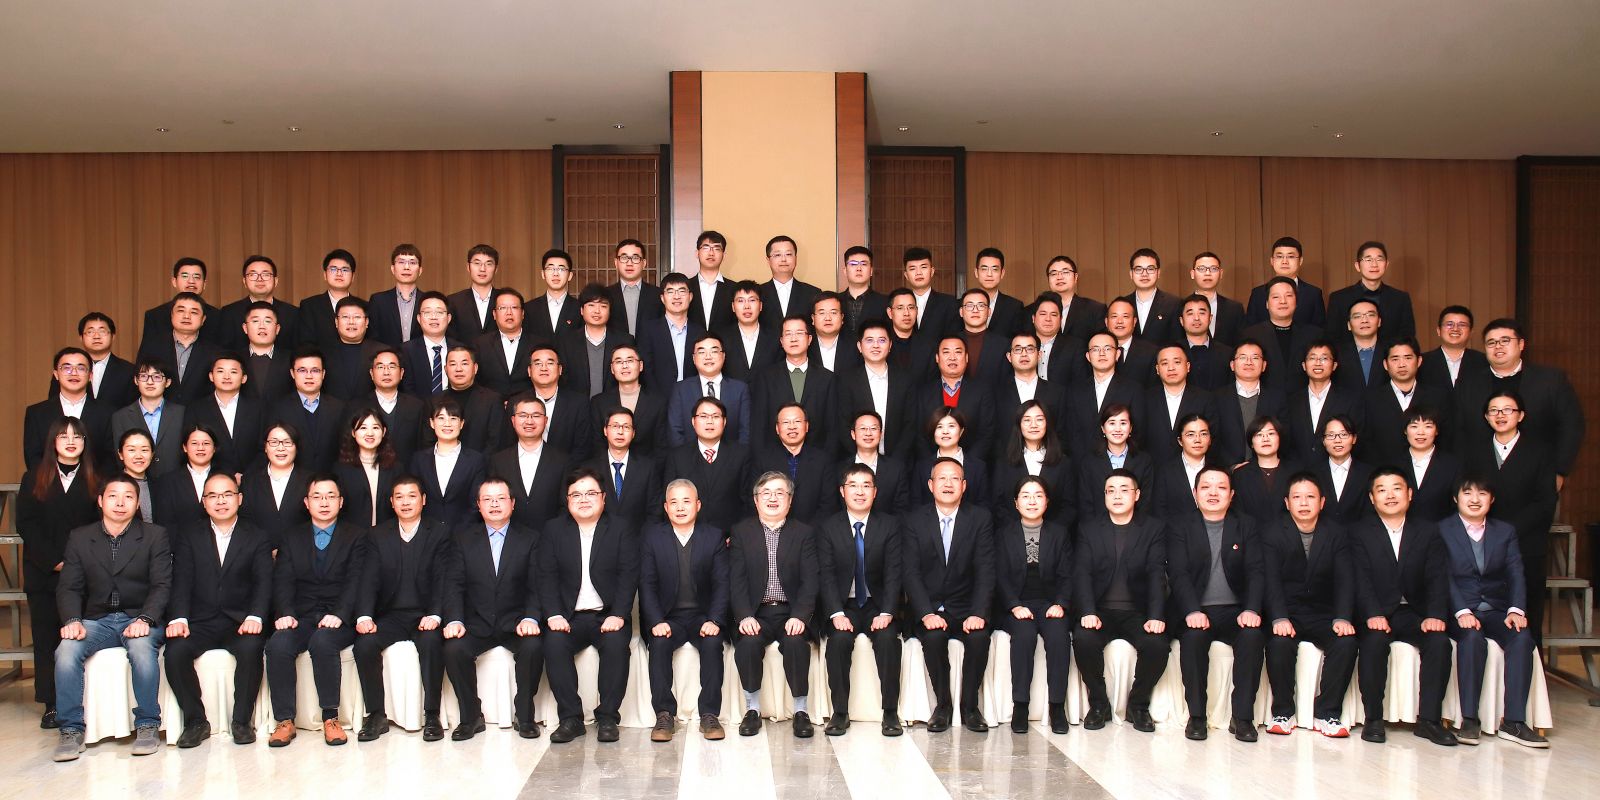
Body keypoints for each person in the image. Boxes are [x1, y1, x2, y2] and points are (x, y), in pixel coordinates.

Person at [50, 475, 171, 761]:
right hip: (98, 620)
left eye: (128, 496)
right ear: (101, 501)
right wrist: (72, 620)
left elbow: (162, 585)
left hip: (139, 618)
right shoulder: (81, 537)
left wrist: (145, 619)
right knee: (66, 650)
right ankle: (70, 729)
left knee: (141, 649)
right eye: (113, 496)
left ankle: (147, 725)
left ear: (137, 503)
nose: (120, 503)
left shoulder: (154, 535)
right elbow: (69, 587)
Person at [163, 473, 272, 747]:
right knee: (175, 651)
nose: (220, 501)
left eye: (227, 494)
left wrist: (255, 615)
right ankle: (196, 721)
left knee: (251, 648)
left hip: (240, 621)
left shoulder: (257, 536)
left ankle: (242, 721)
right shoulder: (189, 535)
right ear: (204, 502)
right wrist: (179, 618)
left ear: (239, 498)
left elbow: (264, 582)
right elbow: (182, 580)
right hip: (200, 621)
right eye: (213, 495)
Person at [1349, 469, 1457, 746]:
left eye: (1396, 488)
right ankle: (1374, 718)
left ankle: (1429, 721)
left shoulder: (1428, 531)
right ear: (1372, 498)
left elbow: (1437, 577)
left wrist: (1434, 615)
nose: (1390, 495)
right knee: (1374, 643)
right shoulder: (1359, 532)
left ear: (1409, 494)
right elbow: (1360, 579)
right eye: (1382, 490)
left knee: (1439, 643)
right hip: (1376, 612)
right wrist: (1372, 613)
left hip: (1415, 612)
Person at [1437, 478, 1547, 748]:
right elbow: (1442, 576)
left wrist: (1516, 609)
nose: (1475, 499)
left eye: (1482, 493)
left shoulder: (1504, 531)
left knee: (1522, 637)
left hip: (1497, 609)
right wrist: (1461, 610)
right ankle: (1469, 719)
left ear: (1491, 499)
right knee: (1472, 639)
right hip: (1459, 610)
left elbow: (1516, 572)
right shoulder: (1442, 530)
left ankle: (1514, 722)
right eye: (1467, 493)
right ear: (1456, 499)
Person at [265, 475, 366, 747]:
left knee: (323, 642)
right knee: (278, 644)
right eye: (317, 497)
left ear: (341, 502)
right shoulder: (292, 537)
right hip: (302, 615)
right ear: (306, 502)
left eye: (330, 496)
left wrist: (341, 613)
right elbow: (283, 579)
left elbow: (356, 580)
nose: (324, 502)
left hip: (340, 617)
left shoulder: (356, 536)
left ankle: (330, 718)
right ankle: (284, 720)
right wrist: (285, 612)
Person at [441, 478, 545, 740]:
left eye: (500, 498)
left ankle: (525, 715)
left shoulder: (530, 538)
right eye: (487, 499)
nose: (494, 504)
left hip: (516, 623)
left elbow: (536, 585)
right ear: (478, 505)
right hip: (477, 623)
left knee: (533, 646)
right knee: (454, 649)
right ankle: (470, 717)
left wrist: (531, 617)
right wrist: (455, 620)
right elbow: (454, 584)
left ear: (512, 503)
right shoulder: (463, 539)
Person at [1168, 466, 1266, 742]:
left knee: (1252, 637)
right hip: (1198, 610)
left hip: (1236, 611)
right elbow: (1178, 573)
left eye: (1221, 487)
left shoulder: (1245, 524)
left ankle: (1242, 717)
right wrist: (1192, 610)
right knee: (1193, 639)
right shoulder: (1180, 525)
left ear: (1232, 494)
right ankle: (1197, 716)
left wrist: (1251, 609)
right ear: (1195, 493)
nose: (1213, 493)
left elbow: (1256, 571)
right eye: (1206, 487)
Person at [540, 468, 638, 744]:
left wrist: (619, 614)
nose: (583, 499)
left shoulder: (620, 528)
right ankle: (571, 718)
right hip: (568, 617)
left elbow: (628, 574)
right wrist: (554, 614)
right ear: (568, 500)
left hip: (607, 614)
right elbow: (546, 576)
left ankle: (608, 717)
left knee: (616, 645)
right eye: (576, 495)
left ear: (604, 498)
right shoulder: (554, 530)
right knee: (554, 643)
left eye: (591, 493)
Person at [352, 475, 452, 742]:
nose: (406, 502)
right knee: (364, 644)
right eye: (399, 497)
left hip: (425, 614)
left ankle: (432, 714)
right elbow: (368, 579)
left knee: (431, 642)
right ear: (391, 502)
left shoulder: (439, 532)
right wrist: (364, 615)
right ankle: (376, 714)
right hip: (392, 615)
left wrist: (435, 614)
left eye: (411, 496)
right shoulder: (377, 535)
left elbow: (443, 578)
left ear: (423, 500)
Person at [16, 417, 101, 729]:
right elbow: (26, 523)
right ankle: (51, 703)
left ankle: (82, 701)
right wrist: (53, 561)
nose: (70, 441)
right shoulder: (33, 477)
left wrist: (76, 563)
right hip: (43, 571)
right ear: (52, 441)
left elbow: (100, 526)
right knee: (46, 638)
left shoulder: (96, 479)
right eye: (64, 436)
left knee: (80, 637)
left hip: (84, 573)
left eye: (77, 436)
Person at [1260, 474, 1357, 738]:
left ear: (1322, 502)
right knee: (1278, 643)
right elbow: (1270, 580)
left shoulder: (1336, 533)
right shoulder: (1272, 532)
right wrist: (1279, 617)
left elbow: (1345, 580)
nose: (1304, 503)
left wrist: (1342, 617)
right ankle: (1283, 712)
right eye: (1297, 497)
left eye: (1310, 497)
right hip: (1287, 612)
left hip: (1323, 613)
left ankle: (1328, 713)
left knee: (1346, 642)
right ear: (1287, 502)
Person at [1072, 469, 1169, 733]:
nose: (1117, 496)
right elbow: (1082, 573)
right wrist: (1088, 611)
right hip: (1100, 611)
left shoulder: (1152, 528)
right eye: (1111, 491)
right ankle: (1099, 704)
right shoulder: (1089, 528)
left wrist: (1155, 616)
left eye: (1124, 490)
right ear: (1104, 496)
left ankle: (1138, 705)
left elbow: (1156, 574)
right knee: (1083, 639)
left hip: (1137, 612)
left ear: (1137, 495)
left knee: (1157, 645)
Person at [903, 458, 995, 732]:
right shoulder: (914, 520)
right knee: (933, 638)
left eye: (954, 478)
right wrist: (925, 613)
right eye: (941, 478)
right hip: (930, 608)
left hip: (966, 607)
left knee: (979, 638)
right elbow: (910, 573)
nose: (948, 484)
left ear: (964, 486)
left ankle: (970, 707)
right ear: (930, 485)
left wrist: (978, 613)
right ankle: (943, 706)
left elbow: (986, 570)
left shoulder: (980, 519)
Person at [814, 464, 905, 736]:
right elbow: (826, 575)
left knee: (888, 640)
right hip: (844, 605)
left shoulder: (889, 525)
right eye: (853, 485)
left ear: (875, 492)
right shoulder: (828, 527)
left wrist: (887, 611)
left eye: (866, 485)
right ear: (842, 491)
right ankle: (840, 712)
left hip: (878, 604)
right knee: (839, 641)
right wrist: (836, 613)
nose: (860, 491)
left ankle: (890, 712)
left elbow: (894, 573)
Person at [1463, 390, 1559, 642]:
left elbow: (1545, 502)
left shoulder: (1540, 452)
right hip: (1481, 542)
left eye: (1508, 410)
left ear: (1521, 415)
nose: (1500, 415)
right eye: (1494, 410)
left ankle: (1529, 664)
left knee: (1528, 612)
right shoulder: (1473, 452)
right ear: (1486, 417)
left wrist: (1507, 530)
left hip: (1526, 542)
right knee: (1484, 612)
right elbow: (1466, 495)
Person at [729, 471, 820, 738]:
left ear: (789, 501)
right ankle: (752, 709)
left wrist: (800, 616)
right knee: (748, 644)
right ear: (756, 500)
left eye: (780, 493)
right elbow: (736, 580)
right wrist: (744, 615)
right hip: (756, 613)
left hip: (790, 612)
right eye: (766, 493)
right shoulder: (741, 532)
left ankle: (801, 711)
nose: (773, 498)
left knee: (795, 643)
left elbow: (810, 581)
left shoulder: (804, 533)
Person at [639, 479, 730, 742]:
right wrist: (656, 620)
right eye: (674, 502)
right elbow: (647, 584)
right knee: (658, 644)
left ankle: (709, 714)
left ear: (698, 505)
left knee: (713, 643)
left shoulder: (713, 536)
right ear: (666, 507)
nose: (680, 508)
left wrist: (714, 620)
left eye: (686, 501)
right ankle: (664, 714)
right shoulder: (652, 537)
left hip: (703, 616)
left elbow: (722, 583)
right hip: (668, 618)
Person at [1454, 318, 1585, 489]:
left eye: (1505, 340)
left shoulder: (1551, 380)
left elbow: (1572, 426)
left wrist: (1559, 471)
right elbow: (1457, 430)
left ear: (1521, 344)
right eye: (1491, 342)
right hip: (1480, 480)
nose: (1498, 346)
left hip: (1538, 476)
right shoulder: (1468, 383)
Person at [994, 476, 1072, 736]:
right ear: (1016, 503)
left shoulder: (1059, 533)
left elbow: (1068, 575)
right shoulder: (1003, 534)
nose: (1032, 501)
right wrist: (1014, 605)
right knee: (1024, 635)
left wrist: (1060, 603)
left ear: (1047, 502)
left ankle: (1057, 707)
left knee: (1059, 635)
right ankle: (1021, 705)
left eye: (1038, 495)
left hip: (1050, 604)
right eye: (1025, 496)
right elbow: (999, 575)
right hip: (1017, 604)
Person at [664, 397, 753, 533]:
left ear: (724, 421)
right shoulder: (677, 456)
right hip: (688, 535)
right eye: (703, 416)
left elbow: (747, 500)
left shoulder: (741, 454)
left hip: (730, 537)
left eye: (716, 416)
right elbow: (668, 499)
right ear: (693, 421)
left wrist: (738, 534)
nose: (710, 421)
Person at [1362, 337, 1454, 468]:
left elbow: (1447, 439)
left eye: (1408, 358)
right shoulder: (1369, 399)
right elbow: (1365, 443)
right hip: (1384, 473)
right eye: (1395, 359)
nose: (1402, 364)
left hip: (1430, 471)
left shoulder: (1438, 397)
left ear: (1419, 361)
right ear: (1385, 364)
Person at [752, 316, 836, 453]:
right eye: (788, 334)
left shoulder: (827, 378)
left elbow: (832, 427)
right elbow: (759, 425)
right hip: (774, 456)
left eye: (799, 333)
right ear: (781, 341)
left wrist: (827, 459)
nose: (793, 338)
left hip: (817, 456)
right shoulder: (765, 378)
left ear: (809, 339)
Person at [836, 318, 917, 458]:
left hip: (898, 461)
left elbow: (910, 425)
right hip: (858, 462)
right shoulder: (846, 381)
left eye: (882, 340)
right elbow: (843, 425)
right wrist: (861, 458)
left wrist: (895, 461)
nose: (875, 345)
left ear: (890, 345)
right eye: (869, 340)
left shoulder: (905, 380)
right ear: (859, 346)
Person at [989, 400, 1077, 527]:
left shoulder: (1063, 463)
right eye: (1027, 420)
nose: (1033, 425)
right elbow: (997, 504)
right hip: (1011, 534)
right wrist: (1017, 532)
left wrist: (1051, 532)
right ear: (1019, 425)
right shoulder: (1004, 463)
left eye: (1039, 419)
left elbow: (1069, 507)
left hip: (1054, 535)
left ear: (1047, 423)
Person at [490, 394, 570, 532]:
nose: (529, 421)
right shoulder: (498, 461)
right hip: (509, 537)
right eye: (523, 415)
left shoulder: (563, 461)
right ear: (513, 420)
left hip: (550, 537)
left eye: (536, 415)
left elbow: (566, 505)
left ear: (545, 420)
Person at [24, 348, 113, 472]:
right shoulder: (36, 413)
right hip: (49, 482)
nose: (74, 373)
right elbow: (33, 457)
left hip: (96, 482)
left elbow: (110, 458)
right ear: (56, 374)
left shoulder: (108, 413)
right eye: (67, 368)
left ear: (90, 376)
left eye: (81, 368)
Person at [1063, 332, 1146, 459]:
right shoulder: (1074, 390)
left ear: (1117, 354)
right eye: (1095, 349)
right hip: (1081, 463)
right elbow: (1070, 432)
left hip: (1120, 463)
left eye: (1107, 348)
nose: (1102, 353)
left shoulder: (1133, 389)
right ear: (1088, 356)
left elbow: (1138, 432)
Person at [409, 397, 488, 528]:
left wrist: (460, 532)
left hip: (464, 533)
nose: (447, 424)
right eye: (441, 418)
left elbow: (476, 503)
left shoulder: (475, 460)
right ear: (432, 423)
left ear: (461, 423)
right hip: (426, 532)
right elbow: (414, 498)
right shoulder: (419, 460)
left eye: (453, 418)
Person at [585, 406, 665, 533]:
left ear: (633, 433)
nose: (620, 431)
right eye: (615, 426)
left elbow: (655, 511)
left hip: (638, 539)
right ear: (605, 430)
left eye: (626, 427)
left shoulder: (648, 468)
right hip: (598, 538)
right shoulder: (589, 469)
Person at [268, 347, 348, 472]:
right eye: (302, 370)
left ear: (323, 374)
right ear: (292, 373)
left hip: (331, 479)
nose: (309, 376)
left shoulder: (339, 408)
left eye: (315, 370)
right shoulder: (279, 409)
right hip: (294, 479)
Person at [755, 404, 838, 526]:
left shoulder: (823, 460)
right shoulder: (762, 460)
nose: (792, 426)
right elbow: (755, 499)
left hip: (814, 532)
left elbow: (828, 505)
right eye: (786, 422)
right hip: (771, 529)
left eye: (797, 421)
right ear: (777, 428)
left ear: (807, 426)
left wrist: (808, 532)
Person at [1211, 339, 1288, 466]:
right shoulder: (1216, 398)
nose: (1249, 362)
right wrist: (1231, 467)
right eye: (1242, 357)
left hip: (1267, 469)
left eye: (1255, 358)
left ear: (1264, 365)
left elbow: (1284, 438)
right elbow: (1212, 439)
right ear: (1232, 365)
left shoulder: (1277, 399)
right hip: (1227, 471)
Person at [1286, 342, 1366, 464]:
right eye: (1312, 358)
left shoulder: (1350, 400)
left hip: (1335, 469)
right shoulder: (1291, 401)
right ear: (1304, 365)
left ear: (1334, 365)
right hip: (1298, 471)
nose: (1318, 363)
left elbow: (1359, 438)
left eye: (1324, 358)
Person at [188, 352, 266, 476]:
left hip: (253, 479)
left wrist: (247, 476)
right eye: (220, 371)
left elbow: (264, 447)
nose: (227, 376)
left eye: (233, 372)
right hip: (211, 479)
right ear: (211, 376)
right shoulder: (196, 409)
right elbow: (192, 449)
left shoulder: (258, 408)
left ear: (244, 378)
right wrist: (225, 476)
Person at [667, 332, 751, 446]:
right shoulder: (680, 389)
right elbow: (675, 431)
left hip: (732, 455)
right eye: (702, 352)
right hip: (688, 455)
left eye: (714, 351)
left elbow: (745, 431)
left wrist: (736, 456)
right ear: (694, 358)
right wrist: (686, 456)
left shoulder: (740, 389)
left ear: (723, 356)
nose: (708, 356)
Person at [915, 335, 996, 453]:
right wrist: (933, 461)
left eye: (958, 352)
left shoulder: (982, 391)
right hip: (932, 462)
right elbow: (919, 435)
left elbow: (986, 433)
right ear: (937, 358)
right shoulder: (923, 393)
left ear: (966, 358)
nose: (952, 357)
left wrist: (968, 461)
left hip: (972, 462)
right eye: (946, 352)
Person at [1325, 241, 1416, 346]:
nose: (1374, 264)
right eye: (1368, 259)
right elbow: (1332, 339)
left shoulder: (1400, 298)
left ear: (1386, 264)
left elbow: (1407, 336)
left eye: (1379, 259)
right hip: (1349, 355)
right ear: (1357, 266)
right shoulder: (1339, 299)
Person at [590, 341, 671, 457]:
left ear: (641, 365)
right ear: (612, 369)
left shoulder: (658, 402)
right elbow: (597, 445)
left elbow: (661, 446)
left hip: (646, 466)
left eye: (630, 361)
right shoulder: (598, 402)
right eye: (619, 362)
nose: (624, 366)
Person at [238, 423, 311, 550]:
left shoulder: (311, 481)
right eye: (274, 442)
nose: (281, 448)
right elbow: (245, 523)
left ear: (296, 447)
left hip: (301, 554)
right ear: (265, 447)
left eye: (287, 442)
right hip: (259, 555)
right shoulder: (249, 481)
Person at [109, 359, 185, 479]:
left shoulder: (182, 413)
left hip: (175, 481)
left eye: (157, 377)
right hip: (136, 482)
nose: (150, 382)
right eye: (144, 376)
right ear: (136, 380)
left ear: (168, 382)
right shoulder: (120, 416)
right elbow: (120, 456)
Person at [1140, 345, 1218, 462]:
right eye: (1165, 363)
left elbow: (1213, 437)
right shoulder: (1145, 398)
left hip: (1193, 467)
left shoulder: (1205, 399)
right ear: (1157, 369)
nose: (1171, 368)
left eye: (1177, 362)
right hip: (1152, 468)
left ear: (1188, 366)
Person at [525, 342, 596, 462]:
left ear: (560, 369)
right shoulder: (516, 402)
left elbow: (583, 448)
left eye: (550, 363)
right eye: (538, 363)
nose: (544, 368)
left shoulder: (579, 404)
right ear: (529, 371)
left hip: (568, 470)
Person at [992, 331, 1067, 441]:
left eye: (1030, 349)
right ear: (1009, 357)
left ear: (1039, 355)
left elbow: (1062, 433)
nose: (1024, 354)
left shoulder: (1057, 392)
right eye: (1018, 349)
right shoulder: (995, 393)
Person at [555, 283, 627, 399]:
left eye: (603, 306)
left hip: (614, 405)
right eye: (591, 305)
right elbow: (562, 380)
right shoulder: (566, 342)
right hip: (576, 405)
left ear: (610, 311)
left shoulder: (624, 341)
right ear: (582, 310)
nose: (597, 311)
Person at [1230, 416, 1302, 529]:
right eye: (1259, 435)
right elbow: (1238, 514)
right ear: (1251, 443)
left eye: (1271, 433)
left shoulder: (1296, 472)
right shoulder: (1240, 475)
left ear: (1279, 439)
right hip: (1251, 536)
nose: (1265, 439)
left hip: (1289, 535)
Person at [218, 255, 300, 352]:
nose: (259, 279)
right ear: (244, 281)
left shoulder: (293, 313)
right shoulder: (229, 313)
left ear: (276, 281)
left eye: (266, 274)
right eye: (253, 275)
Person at [364, 347, 430, 465]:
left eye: (392, 366)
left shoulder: (417, 406)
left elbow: (423, 446)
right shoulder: (358, 406)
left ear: (401, 373)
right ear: (371, 373)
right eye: (380, 367)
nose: (386, 372)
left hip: (408, 472)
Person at [637, 272, 702, 392]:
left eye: (682, 291)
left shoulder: (700, 332)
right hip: (658, 398)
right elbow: (646, 369)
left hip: (693, 397)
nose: (677, 296)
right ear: (662, 298)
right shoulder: (648, 330)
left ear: (690, 296)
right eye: (670, 291)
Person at [335, 408, 400, 528]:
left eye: (375, 427)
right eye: (363, 428)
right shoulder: (341, 469)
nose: (370, 433)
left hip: (387, 534)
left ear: (384, 431)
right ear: (353, 433)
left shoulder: (396, 468)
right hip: (353, 534)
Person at [913, 407, 989, 509]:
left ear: (961, 431)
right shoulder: (921, 467)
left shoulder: (978, 467)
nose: (945, 431)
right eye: (939, 427)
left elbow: (984, 506)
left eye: (951, 426)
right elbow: (916, 506)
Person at [839, 410, 912, 515]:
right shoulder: (839, 469)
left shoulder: (896, 469)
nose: (868, 433)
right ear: (853, 434)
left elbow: (902, 510)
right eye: (863, 428)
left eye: (873, 428)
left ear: (881, 434)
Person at [141, 257, 222, 347]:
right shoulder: (155, 316)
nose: (191, 281)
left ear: (204, 284)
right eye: (185, 276)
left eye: (196, 277)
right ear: (174, 281)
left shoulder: (219, 317)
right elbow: (147, 352)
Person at [148, 424, 218, 529]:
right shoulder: (167, 481)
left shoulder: (226, 478)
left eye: (206, 443)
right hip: (178, 538)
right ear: (185, 447)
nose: (200, 448)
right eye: (194, 443)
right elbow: (164, 522)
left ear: (214, 448)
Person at [1245, 236, 1325, 327]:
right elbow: (1251, 329)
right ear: (1272, 261)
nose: (1284, 261)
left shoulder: (1313, 294)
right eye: (1279, 256)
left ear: (1300, 261)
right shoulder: (1258, 293)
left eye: (1290, 256)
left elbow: (1320, 330)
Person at [1310, 415, 1375, 526]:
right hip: (1322, 534)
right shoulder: (1312, 474)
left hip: (1361, 534)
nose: (1337, 440)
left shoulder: (1369, 473)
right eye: (1331, 435)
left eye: (1344, 434)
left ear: (1354, 438)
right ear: (1323, 441)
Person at [473, 287, 536, 399]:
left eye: (514, 307)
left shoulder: (538, 344)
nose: (509, 313)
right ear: (494, 314)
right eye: (502, 308)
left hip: (528, 406)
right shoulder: (480, 345)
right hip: (490, 405)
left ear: (522, 313)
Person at [66, 311, 136, 410]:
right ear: (81, 338)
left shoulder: (129, 371)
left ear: (113, 336)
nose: (96, 336)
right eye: (90, 332)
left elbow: (133, 409)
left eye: (102, 331)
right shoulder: (66, 370)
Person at [1402, 407, 1461, 522]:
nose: (1421, 432)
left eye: (1428, 426)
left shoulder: (1453, 465)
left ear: (1436, 430)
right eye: (1414, 426)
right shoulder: (1392, 464)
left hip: (1442, 530)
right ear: (1405, 430)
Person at [719, 280, 782, 383]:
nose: (747, 306)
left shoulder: (775, 338)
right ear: (733, 307)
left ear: (760, 305)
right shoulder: (721, 338)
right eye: (740, 301)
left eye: (752, 300)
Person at [322, 297, 384, 401]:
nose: (351, 322)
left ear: (366, 322)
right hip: (332, 410)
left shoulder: (382, 352)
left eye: (357, 317)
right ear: (336, 322)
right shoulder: (322, 353)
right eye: (345, 317)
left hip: (370, 410)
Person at [400, 291, 459, 400]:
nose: (433, 317)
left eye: (439, 312)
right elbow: (406, 390)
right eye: (427, 312)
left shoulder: (460, 350)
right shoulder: (405, 351)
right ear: (419, 318)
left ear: (449, 318)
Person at [295, 249, 357, 351]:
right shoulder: (309, 306)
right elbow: (306, 343)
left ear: (353, 276)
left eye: (345, 270)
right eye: (333, 269)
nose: (339, 273)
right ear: (325, 274)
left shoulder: (364, 307)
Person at [1120, 248, 1182, 346]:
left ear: (1158, 273)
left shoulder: (1174, 304)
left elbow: (1178, 341)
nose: (1144, 274)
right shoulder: (1123, 305)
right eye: (1138, 269)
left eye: (1150, 269)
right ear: (1131, 274)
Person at [367, 243, 424, 348]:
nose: (406, 267)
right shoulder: (378, 301)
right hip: (387, 357)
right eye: (401, 262)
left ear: (420, 270)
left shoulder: (428, 301)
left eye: (412, 262)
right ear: (393, 269)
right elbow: (372, 337)